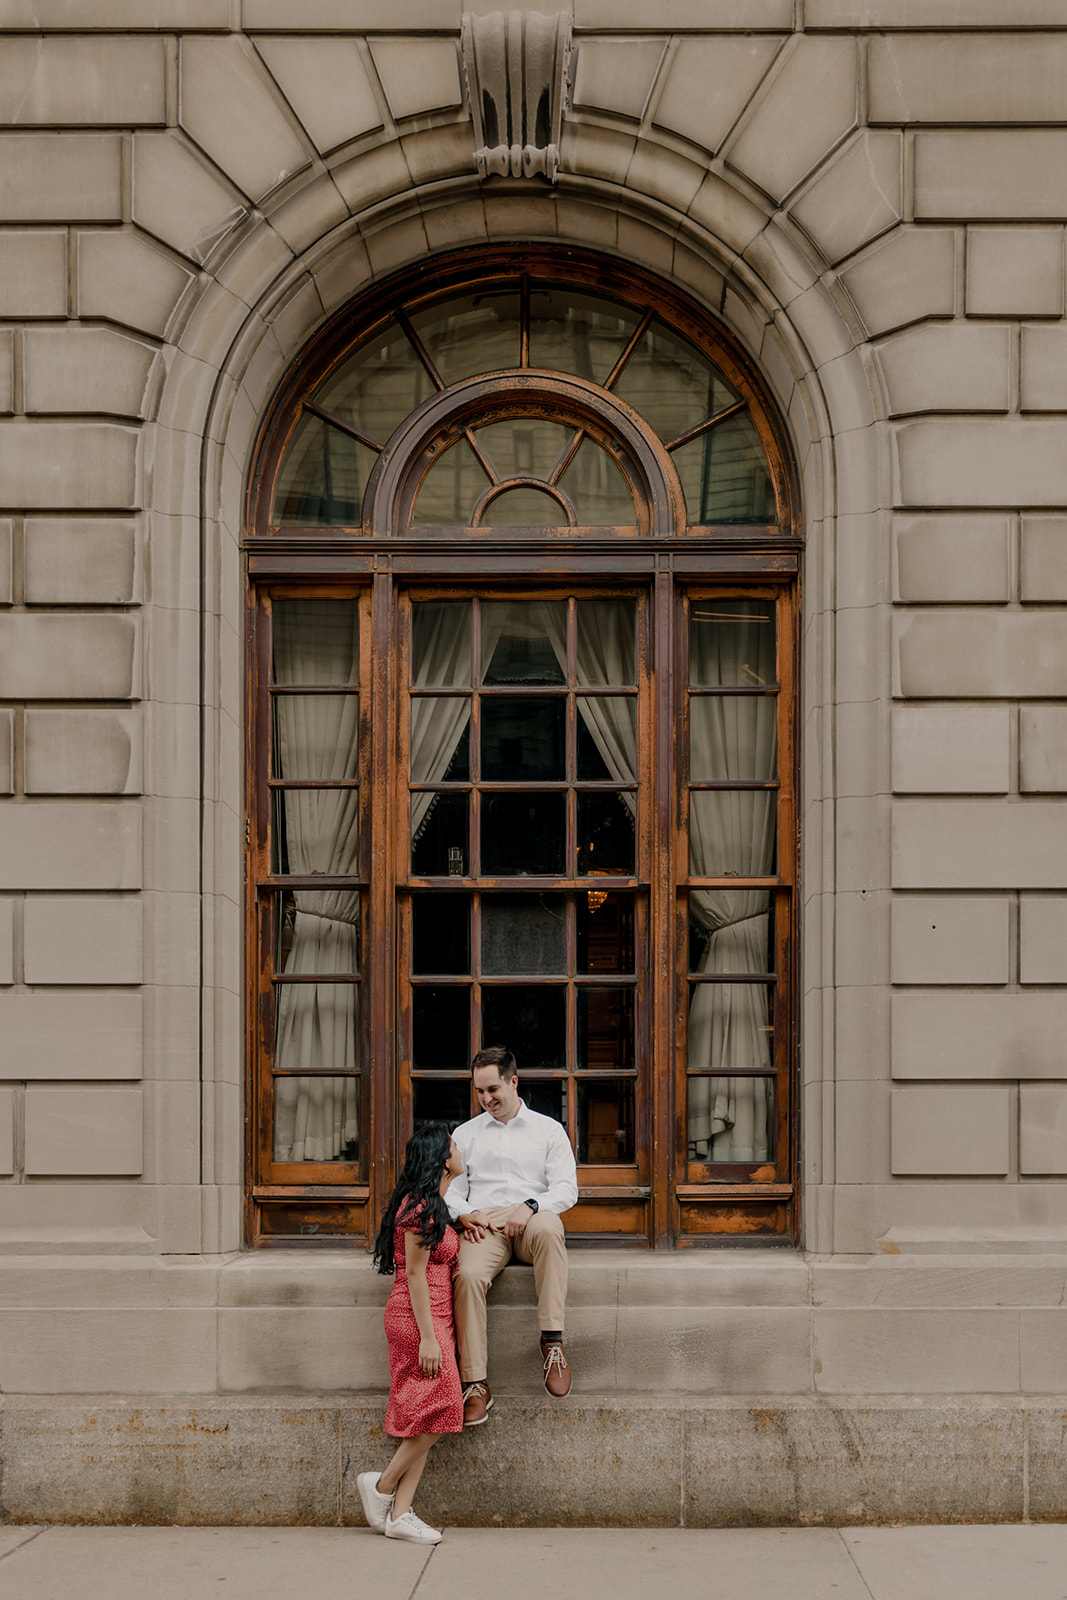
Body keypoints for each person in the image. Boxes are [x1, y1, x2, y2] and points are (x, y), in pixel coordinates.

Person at [444, 1045, 579, 1426]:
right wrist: (465, 1213)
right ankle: (475, 1383)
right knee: (466, 1276)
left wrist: (532, 1205)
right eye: (479, 1092)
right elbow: (452, 1188)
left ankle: (552, 1342)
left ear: (513, 1082)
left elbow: (567, 1189)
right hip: (485, 1224)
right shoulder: (466, 1134)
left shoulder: (548, 1130)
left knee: (552, 1227)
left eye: (493, 1090)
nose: (486, 1099)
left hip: (530, 1219)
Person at [358, 1123, 465, 1545]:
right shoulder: (422, 1208)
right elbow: (417, 1275)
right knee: (447, 1406)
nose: (460, 1150)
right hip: (418, 1319)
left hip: (431, 1318)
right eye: (455, 1145)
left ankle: (400, 1515)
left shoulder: (430, 1203)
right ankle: (382, 1487)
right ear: (442, 1158)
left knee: (427, 1415)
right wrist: (428, 1338)